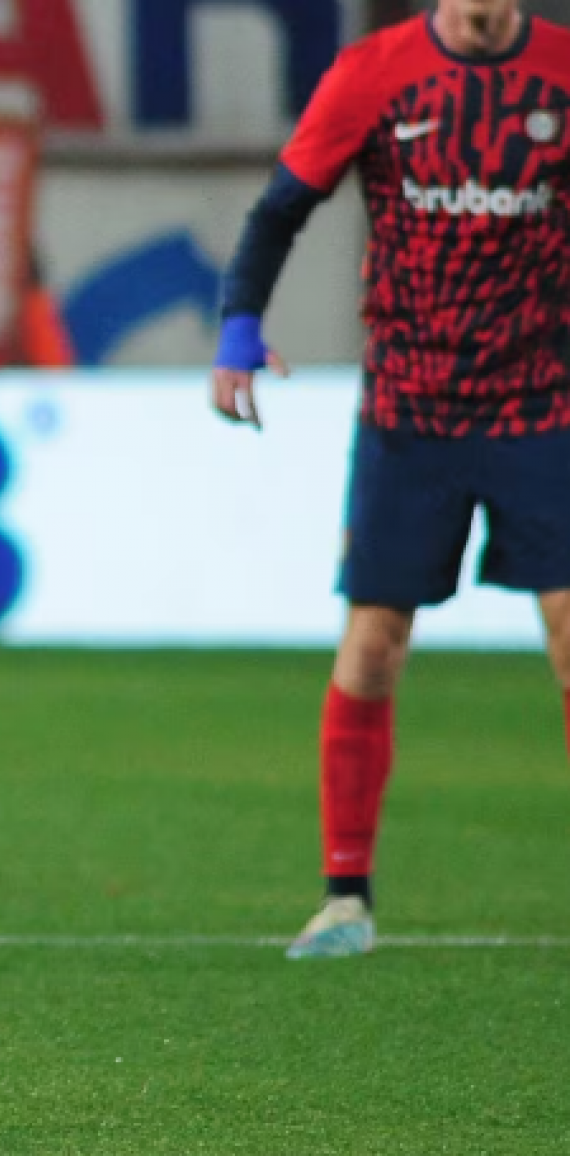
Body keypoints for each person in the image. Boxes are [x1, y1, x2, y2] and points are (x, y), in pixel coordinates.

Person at [213, 0, 570, 960]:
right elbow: (280, 210)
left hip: (545, 400)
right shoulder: (374, 72)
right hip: (411, 407)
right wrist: (239, 325)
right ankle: (345, 897)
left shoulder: (562, 71)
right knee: (374, 645)